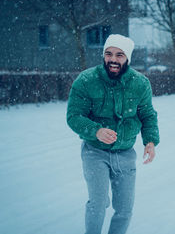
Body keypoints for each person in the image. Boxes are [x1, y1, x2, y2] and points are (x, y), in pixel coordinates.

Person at [66, 34, 160, 234]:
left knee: (124, 209)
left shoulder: (140, 83)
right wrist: (96, 131)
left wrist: (150, 141)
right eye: (108, 54)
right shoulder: (86, 80)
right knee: (98, 203)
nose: (113, 59)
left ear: (128, 58)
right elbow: (74, 116)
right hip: (95, 152)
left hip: (125, 153)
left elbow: (148, 115)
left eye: (119, 55)